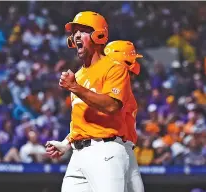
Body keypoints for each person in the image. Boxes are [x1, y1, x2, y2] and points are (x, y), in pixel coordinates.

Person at [46, 11, 144, 192]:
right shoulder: (78, 75)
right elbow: (81, 120)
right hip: (78, 154)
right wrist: (66, 143)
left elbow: (112, 105)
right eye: (74, 32)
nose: (76, 35)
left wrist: (75, 87)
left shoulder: (114, 68)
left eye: (82, 30)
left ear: (99, 35)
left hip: (105, 150)